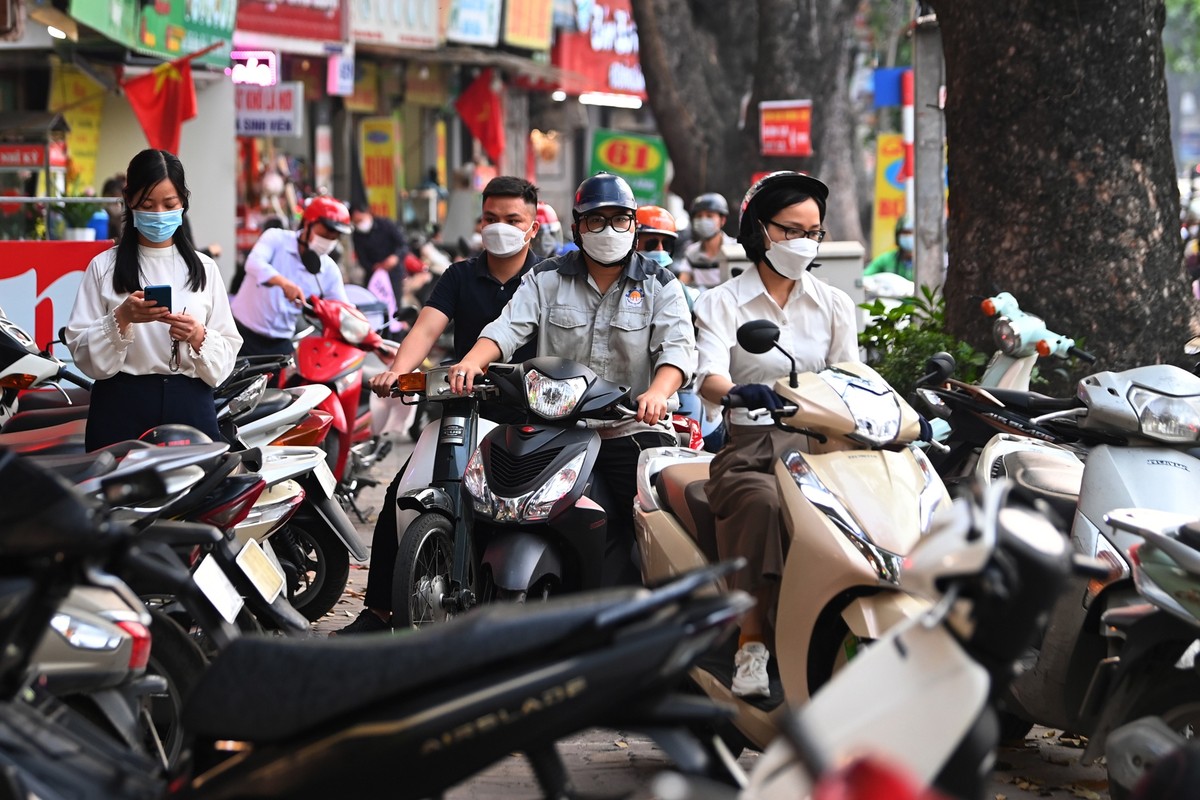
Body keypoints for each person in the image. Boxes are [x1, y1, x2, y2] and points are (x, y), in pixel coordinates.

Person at [450, 172, 696, 589]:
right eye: (595, 220)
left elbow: (677, 351)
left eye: (619, 219)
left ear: (634, 225)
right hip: (555, 431)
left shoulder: (660, 285)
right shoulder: (546, 278)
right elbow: (507, 328)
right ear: (577, 227)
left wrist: (657, 392)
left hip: (632, 430)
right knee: (487, 503)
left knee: (654, 529)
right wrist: (472, 361)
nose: (608, 230)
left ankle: (652, 616)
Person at [332, 175, 544, 635]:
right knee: (399, 494)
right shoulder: (460, 275)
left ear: (533, 227)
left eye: (513, 220)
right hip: (465, 407)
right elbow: (426, 330)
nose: (499, 228)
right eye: (491, 218)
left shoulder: (548, 279)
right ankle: (380, 612)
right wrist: (396, 370)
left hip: (532, 417)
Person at [692, 170, 859, 698]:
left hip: (823, 450)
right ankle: (752, 643)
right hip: (751, 448)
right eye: (791, 230)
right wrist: (739, 394)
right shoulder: (720, 303)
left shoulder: (835, 305)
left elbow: (851, 381)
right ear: (760, 231)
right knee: (763, 503)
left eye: (813, 233)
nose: (803, 243)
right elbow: (708, 375)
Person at [64, 149, 242, 451]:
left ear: (183, 202)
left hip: (190, 404)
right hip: (121, 406)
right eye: (148, 205)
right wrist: (121, 317)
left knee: (196, 495)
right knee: (119, 496)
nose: (159, 214)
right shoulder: (104, 267)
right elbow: (82, 351)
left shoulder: (203, 268)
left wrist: (198, 335)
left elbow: (227, 350)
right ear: (129, 200)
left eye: (169, 204)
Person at [230, 196, 352, 357]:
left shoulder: (330, 270)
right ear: (308, 224)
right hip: (240, 334)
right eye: (327, 232)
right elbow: (253, 263)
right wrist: (284, 283)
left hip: (280, 343)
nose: (329, 240)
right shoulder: (276, 238)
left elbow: (342, 308)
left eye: (335, 237)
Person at [350, 203, 410, 300]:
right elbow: (361, 258)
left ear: (367, 213)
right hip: (374, 276)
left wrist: (395, 258)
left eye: (360, 220)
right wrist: (374, 267)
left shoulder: (386, 225)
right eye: (356, 222)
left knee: (394, 306)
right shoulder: (357, 235)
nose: (359, 224)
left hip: (393, 273)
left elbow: (403, 245)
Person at [677, 192, 737, 289]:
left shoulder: (736, 249)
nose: (703, 220)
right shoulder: (691, 253)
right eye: (699, 216)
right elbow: (681, 286)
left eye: (709, 216)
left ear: (722, 220)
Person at [864, 215, 915, 281]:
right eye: (905, 233)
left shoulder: (925, 263)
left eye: (913, 233)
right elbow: (865, 277)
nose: (909, 237)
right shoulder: (887, 260)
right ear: (897, 236)